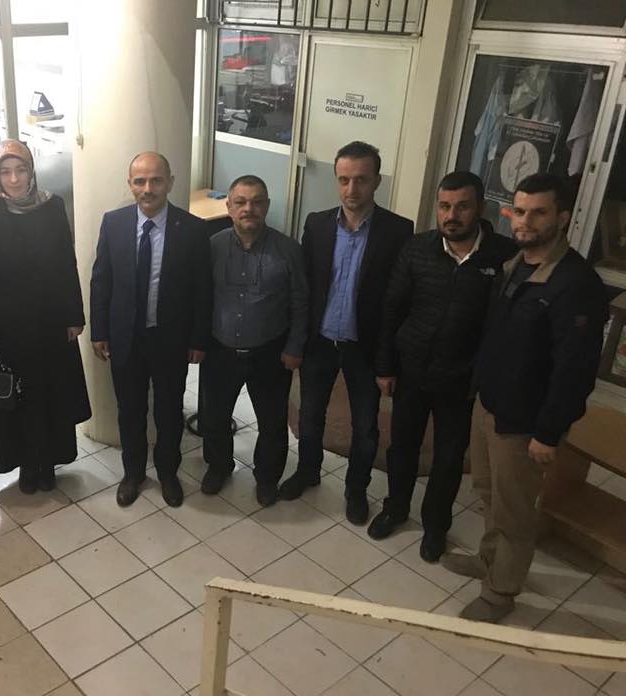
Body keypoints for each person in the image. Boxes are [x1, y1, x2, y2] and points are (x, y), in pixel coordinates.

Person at [443, 173, 608, 623]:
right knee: (487, 493)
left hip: (524, 424)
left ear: (563, 217)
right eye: (519, 210)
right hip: (490, 405)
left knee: (514, 513)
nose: (525, 221)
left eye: (538, 213)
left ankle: (500, 594)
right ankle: (489, 561)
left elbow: (575, 372)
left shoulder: (576, 284)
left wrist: (549, 433)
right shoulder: (516, 265)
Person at [368, 171, 515, 562]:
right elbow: (392, 309)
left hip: (461, 381)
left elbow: (501, 327)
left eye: (462, 206)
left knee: (449, 458)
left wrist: (483, 379)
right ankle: (396, 508)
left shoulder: (503, 257)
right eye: (445, 206)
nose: (452, 215)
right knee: (402, 447)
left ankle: (435, 526)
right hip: (412, 371)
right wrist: (385, 366)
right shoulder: (416, 249)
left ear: (480, 208)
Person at [280, 141, 413, 525]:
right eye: (343, 180)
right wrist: (297, 340)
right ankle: (308, 471)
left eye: (361, 180)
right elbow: (304, 288)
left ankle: (356, 490)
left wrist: (388, 362)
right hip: (321, 342)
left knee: (365, 427)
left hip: (364, 347)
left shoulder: (398, 231)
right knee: (310, 416)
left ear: (377, 181)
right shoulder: (317, 224)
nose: (351, 189)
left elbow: (396, 302)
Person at [0, 139, 91, 492]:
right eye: (5, 171)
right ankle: (25, 466)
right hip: (8, 330)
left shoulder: (52, 206)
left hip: (50, 323)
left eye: (20, 170)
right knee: (17, 399)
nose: (14, 179)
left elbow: (66, 262)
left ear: (31, 170)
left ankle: (48, 462)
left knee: (51, 395)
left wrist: (74, 315)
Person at [90, 151, 212, 508]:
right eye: (140, 181)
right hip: (125, 338)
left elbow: (202, 289)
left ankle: (168, 472)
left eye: (156, 180)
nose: (148, 189)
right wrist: (99, 330)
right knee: (129, 411)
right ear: (130, 184)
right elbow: (101, 281)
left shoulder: (192, 229)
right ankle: (133, 474)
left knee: (169, 411)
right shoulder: (113, 223)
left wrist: (198, 338)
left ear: (170, 182)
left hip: (170, 338)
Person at [200, 175, 308, 507]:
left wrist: (295, 347)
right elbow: (199, 298)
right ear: (229, 206)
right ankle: (219, 467)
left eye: (257, 201)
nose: (249, 208)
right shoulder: (212, 246)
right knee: (214, 417)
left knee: (272, 422)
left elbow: (301, 302)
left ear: (267, 206)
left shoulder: (288, 249)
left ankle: (267, 478)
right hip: (220, 350)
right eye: (241, 202)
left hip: (270, 353)